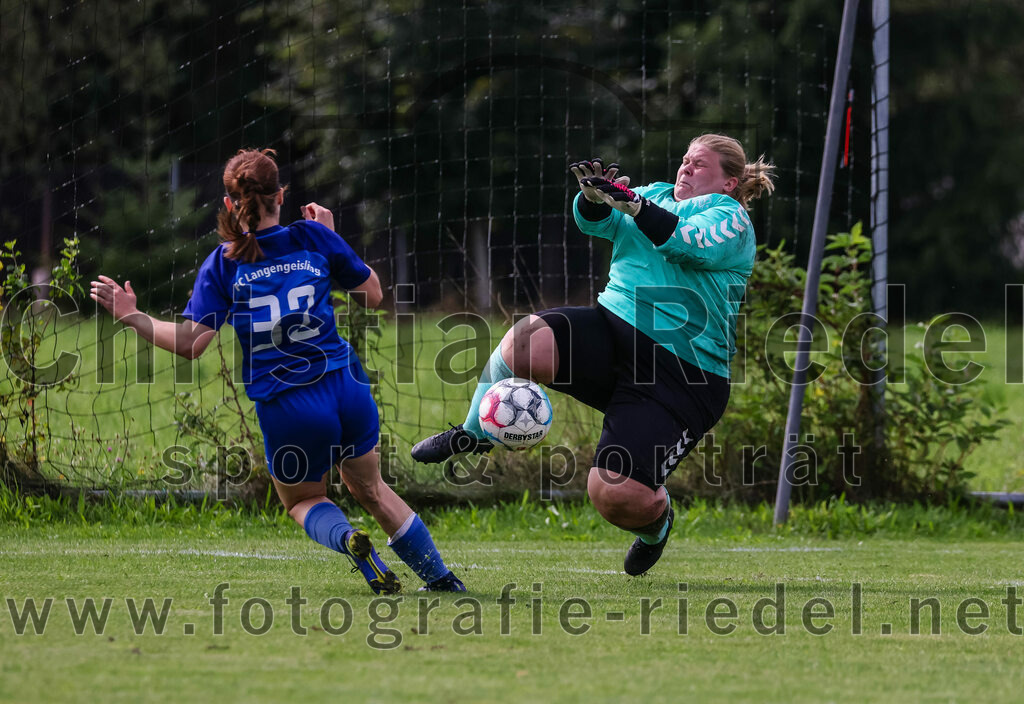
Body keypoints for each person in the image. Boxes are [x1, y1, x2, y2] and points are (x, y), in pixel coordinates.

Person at [91, 148, 464, 593]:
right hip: (345, 386)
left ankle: (348, 538)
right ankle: (442, 580)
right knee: (373, 489)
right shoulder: (313, 237)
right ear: (281, 196)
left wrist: (132, 315)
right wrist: (331, 238)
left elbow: (192, 344)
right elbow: (373, 295)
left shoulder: (224, 262)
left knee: (304, 500)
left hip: (290, 404)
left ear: (230, 204)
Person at [412, 134, 775, 576]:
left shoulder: (731, 218)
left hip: (681, 376)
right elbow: (596, 223)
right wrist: (593, 199)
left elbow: (686, 242)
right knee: (526, 340)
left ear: (730, 182)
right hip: (613, 331)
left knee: (614, 494)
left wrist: (635, 206)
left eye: (699, 164)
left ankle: (656, 526)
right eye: (685, 159)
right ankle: (475, 433)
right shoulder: (655, 194)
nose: (685, 167)